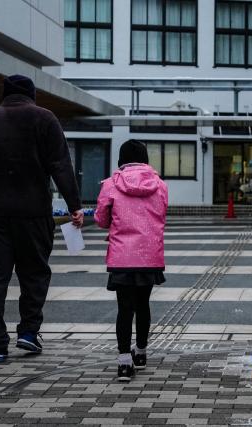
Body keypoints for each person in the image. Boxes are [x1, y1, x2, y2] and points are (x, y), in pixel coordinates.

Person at [0, 75, 84, 363]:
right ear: (31, 95)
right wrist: (74, 205)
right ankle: (28, 333)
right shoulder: (44, 119)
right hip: (33, 213)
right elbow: (61, 165)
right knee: (35, 274)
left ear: (5, 94)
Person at [94, 140, 168, 382]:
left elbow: (102, 219)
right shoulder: (160, 185)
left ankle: (124, 362)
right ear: (146, 159)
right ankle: (142, 352)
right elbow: (161, 215)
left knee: (125, 308)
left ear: (121, 160)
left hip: (122, 255)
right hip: (149, 255)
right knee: (143, 304)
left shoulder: (110, 185)